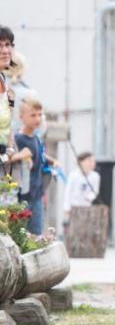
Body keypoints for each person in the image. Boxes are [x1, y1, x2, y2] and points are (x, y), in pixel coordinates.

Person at [11, 94, 58, 235]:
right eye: (33, 115)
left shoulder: (36, 138)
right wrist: (20, 155)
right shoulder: (18, 139)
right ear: (21, 117)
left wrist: (52, 160)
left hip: (37, 194)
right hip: (22, 195)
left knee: (36, 233)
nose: (37, 119)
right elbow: (8, 158)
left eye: (39, 115)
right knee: (19, 232)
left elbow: (39, 154)